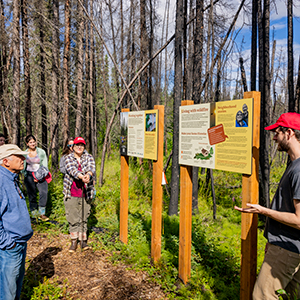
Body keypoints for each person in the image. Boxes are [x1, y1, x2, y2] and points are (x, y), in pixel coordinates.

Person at [235, 112, 300, 299]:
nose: (274, 137)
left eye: (277, 132)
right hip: (287, 246)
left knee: (262, 295)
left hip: (287, 249)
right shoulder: (294, 165)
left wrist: (263, 211)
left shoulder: (298, 170)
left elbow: (299, 220)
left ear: (289, 133)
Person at [0, 144, 33, 300]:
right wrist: (9, 243)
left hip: (19, 244)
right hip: (9, 249)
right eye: (19, 156)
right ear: (6, 161)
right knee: (7, 293)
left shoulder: (12, 178)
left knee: (15, 289)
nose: (23, 159)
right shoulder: (1, 182)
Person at [63, 137, 95, 252]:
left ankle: (83, 241)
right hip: (71, 192)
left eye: (82, 145)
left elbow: (92, 168)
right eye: (77, 145)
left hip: (86, 192)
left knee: (84, 217)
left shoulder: (89, 157)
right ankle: (73, 241)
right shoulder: (68, 158)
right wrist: (82, 176)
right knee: (72, 217)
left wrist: (89, 175)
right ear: (73, 147)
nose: (79, 147)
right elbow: (72, 170)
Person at [23, 134, 49, 221]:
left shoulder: (41, 152)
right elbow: (23, 166)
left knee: (43, 193)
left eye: (34, 142)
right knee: (32, 195)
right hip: (29, 175)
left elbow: (45, 165)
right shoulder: (25, 153)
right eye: (30, 142)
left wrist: (39, 176)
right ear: (27, 143)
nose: (33, 144)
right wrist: (25, 175)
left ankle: (42, 214)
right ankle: (34, 214)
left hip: (41, 174)